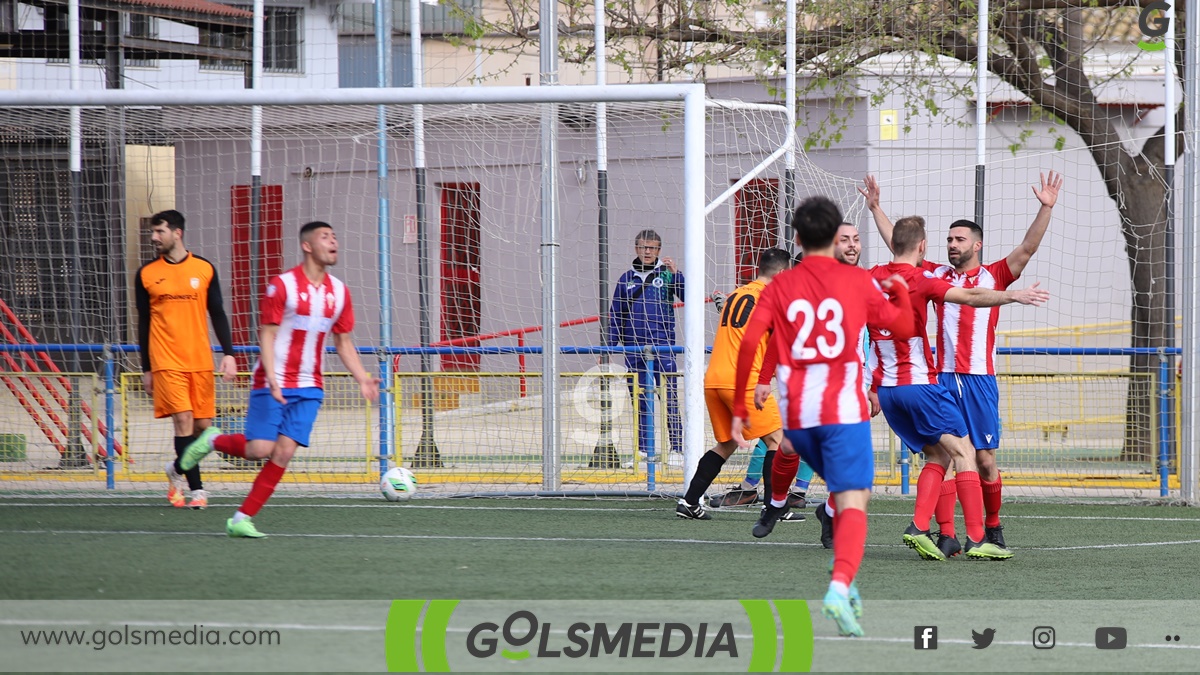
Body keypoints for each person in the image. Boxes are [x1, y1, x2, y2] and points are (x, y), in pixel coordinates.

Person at [731, 196, 917, 637]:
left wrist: (741, 406)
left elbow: (753, 340)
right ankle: (839, 585)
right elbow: (905, 328)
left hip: (799, 416)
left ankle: (787, 511)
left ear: (796, 238)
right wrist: (902, 293)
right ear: (837, 239)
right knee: (855, 501)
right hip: (843, 412)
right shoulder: (856, 282)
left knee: (824, 478)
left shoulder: (778, 287)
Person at [861, 171, 1063, 551]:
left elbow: (1028, 248)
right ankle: (948, 534)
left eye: (959, 239)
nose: (952, 245)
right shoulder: (935, 273)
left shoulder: (996, 274)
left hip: (978, 379)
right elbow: (900, 246)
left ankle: (992, 527)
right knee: (945, 454)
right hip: (939, 377)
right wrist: (876, 209)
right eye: (949, 239)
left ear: (977, 245)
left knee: (983, 458)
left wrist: (1046, 208)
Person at [176, 221, 380, 538]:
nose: (333, 241)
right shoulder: (282, 285)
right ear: (307, 245)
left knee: (283, 453)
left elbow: (343, 342)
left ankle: (241, 519)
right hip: (272, 379)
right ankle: (213, 440)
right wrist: (271, 376)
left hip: (310, 386)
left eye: (335, 236)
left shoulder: (339, 292)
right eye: (325, 236)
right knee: (259, 450)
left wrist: (362, 378)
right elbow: (267, 336)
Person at [677, 248, 795, 519]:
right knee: (778, 438)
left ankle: (690, 502)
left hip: (714, 380)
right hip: (742, 381)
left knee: (727, 444)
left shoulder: (737, 295)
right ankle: (775, 507)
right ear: (781, 273)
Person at [137, 210, 237, 510]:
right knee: (183, 421)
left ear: (177, 233)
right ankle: (197, 491)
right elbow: (143, 323)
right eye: (153, 232)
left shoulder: (204, 268)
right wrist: (147, 368)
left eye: (160, 232)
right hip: (166, 360)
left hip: (200, 360)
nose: (154, 237)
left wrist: (229, 354)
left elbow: (217, 312)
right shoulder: (146, 273)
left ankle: (175, 470)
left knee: (203, 429)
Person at [607, 229, 685, 460]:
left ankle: (677, 449)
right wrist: (609, 348)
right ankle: (645, 450)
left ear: (659, 250)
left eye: (652, 248)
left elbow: (687, 296)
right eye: (643, 247)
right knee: (640, 399)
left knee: (669, 397)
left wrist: (677, 274)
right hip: (634, 348)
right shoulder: (625, 279)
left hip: (662, 346)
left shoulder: (667, 275)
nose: (647, 251)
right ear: (636, 249)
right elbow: (616, 315)